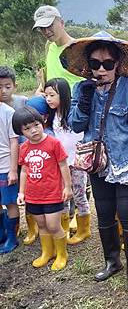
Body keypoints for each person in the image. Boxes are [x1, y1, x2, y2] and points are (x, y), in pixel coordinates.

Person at [63, 32, 128, 295]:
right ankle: (112, 261)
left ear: (118, 64)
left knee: (126, 215)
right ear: (88, 65)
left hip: (125, 165)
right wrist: (86, 100)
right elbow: (75, 124)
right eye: (95, 63)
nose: (101, 69)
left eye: (108, 63)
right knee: (104, 215)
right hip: (96, 163)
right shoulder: (82, 89)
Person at [14, 106, 72, 270]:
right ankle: (47, 252)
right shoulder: (24, 148)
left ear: (42, 122)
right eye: (27, 128)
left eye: (36, 125)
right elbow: (24, 171)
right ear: (21, 132)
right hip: (33, 195)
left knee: (53, 225)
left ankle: (62, 254)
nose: (33, 131)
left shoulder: (53, 143)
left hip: (52, 193)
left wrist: (67, 187)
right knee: (41, 225)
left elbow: (63, 166)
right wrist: (21, 192)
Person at [44, 77, 91, 244]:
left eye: (51, 95)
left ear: (63, 95)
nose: (48, 99)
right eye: (46, 95)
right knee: (63, 194)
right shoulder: (51, 115)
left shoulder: (72, 112)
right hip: (61, 163)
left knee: (79, 194)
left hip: (76, 162)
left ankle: (84, 229)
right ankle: (63, 229)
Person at [32, 5, 81, 92]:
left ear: (62, 23)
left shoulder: (78, 48)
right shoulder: (49, 46)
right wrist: (40, 89)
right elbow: (50, 72)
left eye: (50, 25)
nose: (46, 31)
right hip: (51, 98)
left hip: (72, 100)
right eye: (42, 28)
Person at [0, 93, 19, 254]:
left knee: (10, 202)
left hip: (5, 166)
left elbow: (14, 142)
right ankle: (2, 234)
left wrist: (13, 169)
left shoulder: (8, 112)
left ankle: (12, 238)